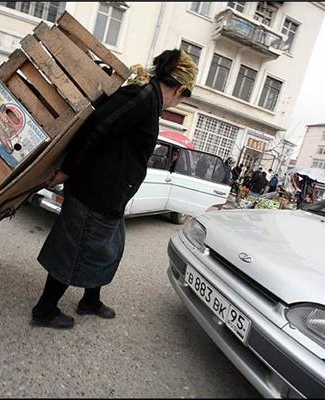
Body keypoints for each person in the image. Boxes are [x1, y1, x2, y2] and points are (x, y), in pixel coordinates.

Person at [31, 48, 199, 329]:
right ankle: (44, 309)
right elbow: (97, 126)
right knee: (75, 249)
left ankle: (90, 300)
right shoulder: (142, 97)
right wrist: (67, 170)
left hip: (111, 196)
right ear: (180, 89)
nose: (177, 104)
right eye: (182, 98)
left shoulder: (148, 98)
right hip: (94, 192)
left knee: (108, 249)